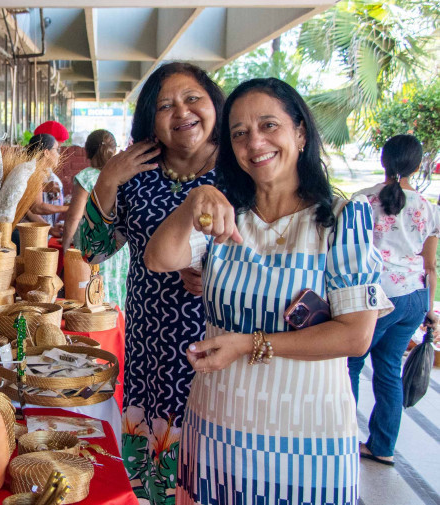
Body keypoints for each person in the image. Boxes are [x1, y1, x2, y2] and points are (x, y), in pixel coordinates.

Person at [144, 77, 392, 505]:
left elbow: (355, 335)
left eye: (268, 125)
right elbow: (159, 259)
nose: (254, 141)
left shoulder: (341, 218)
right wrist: (193, 202)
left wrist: (248, 344)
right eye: (239, 133)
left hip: (307, 438)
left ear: (299, 132)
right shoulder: (226, 217)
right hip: (218, 430)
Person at [77, 62, 224, 503]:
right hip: (150, 344)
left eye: (192, 98)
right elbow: (93, 251)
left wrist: (215, 267)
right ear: (150, 121)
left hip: (215, 340)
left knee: (212, 464)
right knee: (156, 471)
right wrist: (108, 180)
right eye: (166, 105)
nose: (182, 111)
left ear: (214, 102)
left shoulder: (240, 169)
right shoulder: (137, 172)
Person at [348, 134, 440, 465]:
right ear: (418, 166)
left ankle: (342, 441)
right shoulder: (430, 210)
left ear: (384, 161)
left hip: (376, 299)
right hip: (414, 298)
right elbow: (430, 265)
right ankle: (383, 447)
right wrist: (430, 311)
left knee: (351, 364)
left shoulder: (361, 200)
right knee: (388, 368)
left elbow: (350, 255)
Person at [62, 129, 129, 307]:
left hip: (94, 245)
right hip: (120, 246)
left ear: (87, 152)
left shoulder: (86, 177)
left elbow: (74, 217)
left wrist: (66, 246)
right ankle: (116, 327)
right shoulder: (124, 176)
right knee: (117, 290)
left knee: (93, 289)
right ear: (113, 150)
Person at [24, 133, 68, 236]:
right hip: (28, 234)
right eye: (56, 149)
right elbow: (37, 207)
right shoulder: (33, 171)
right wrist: (68, 209)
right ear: (46, 152)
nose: (59, 154)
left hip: (37, 232)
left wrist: (50, 229)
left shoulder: (39, 171)